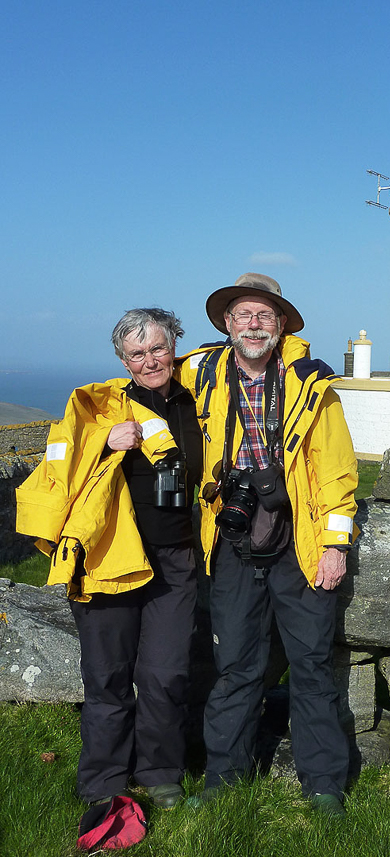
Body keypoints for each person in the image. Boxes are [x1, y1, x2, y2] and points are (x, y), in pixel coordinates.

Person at [177, 273, 358, 816]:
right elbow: (139, 385)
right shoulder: (200, 373)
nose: (253, 324)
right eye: (242, 315)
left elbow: (337, 473)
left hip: (299, 540)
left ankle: (324, 785)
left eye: (264, 316)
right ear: (226, 325)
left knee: (310, 663)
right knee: (234, 664)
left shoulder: (313, 387)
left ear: (281, 326)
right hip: (232, 540)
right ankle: (223, 780)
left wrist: (335, 545)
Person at [16, 308, 203, 811]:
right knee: (107, 677)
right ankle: (103, 782)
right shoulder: (102, 406)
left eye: (158, 349)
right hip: (107, 559)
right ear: (122, 359)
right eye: (136, 354)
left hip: (176, 559)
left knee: (166, 674)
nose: (149, 361)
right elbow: (62, 460)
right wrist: (105, 441)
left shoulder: (200, 401)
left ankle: (161, 773)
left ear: (175, 346)